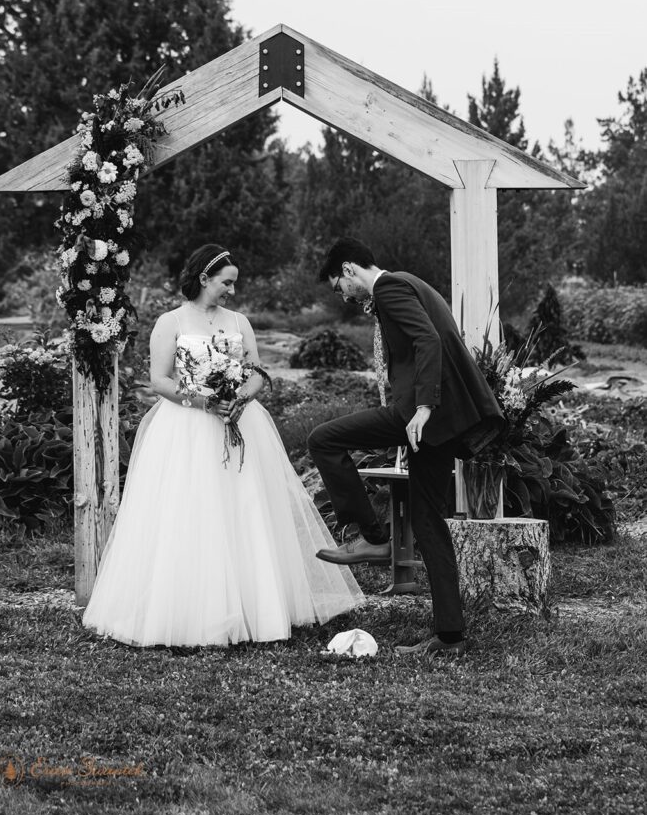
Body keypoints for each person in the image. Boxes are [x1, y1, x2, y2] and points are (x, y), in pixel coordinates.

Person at [82, 244, 364, 648]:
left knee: (245, 510)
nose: (232, 290)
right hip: (185, 427)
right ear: (203, 279)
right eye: (226, 282)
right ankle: (188, 609)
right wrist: (203, 401)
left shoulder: (239, 322)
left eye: (234, 283)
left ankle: (257, 608)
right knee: (190, 512)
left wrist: (242, 398)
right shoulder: (171, 322)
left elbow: (258, 372)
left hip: (239, 422)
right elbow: (160, 380)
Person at [308, 237, 504, 657]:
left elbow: (428, 341)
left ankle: (372, 536)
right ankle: (450, 636)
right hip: (437, 424)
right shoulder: (408, 282)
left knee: (322, 439)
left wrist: (422, 407)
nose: (342, 296)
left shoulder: (390, 287)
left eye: (337, 286)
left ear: (347, 270)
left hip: (419, 416)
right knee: (428, 520)